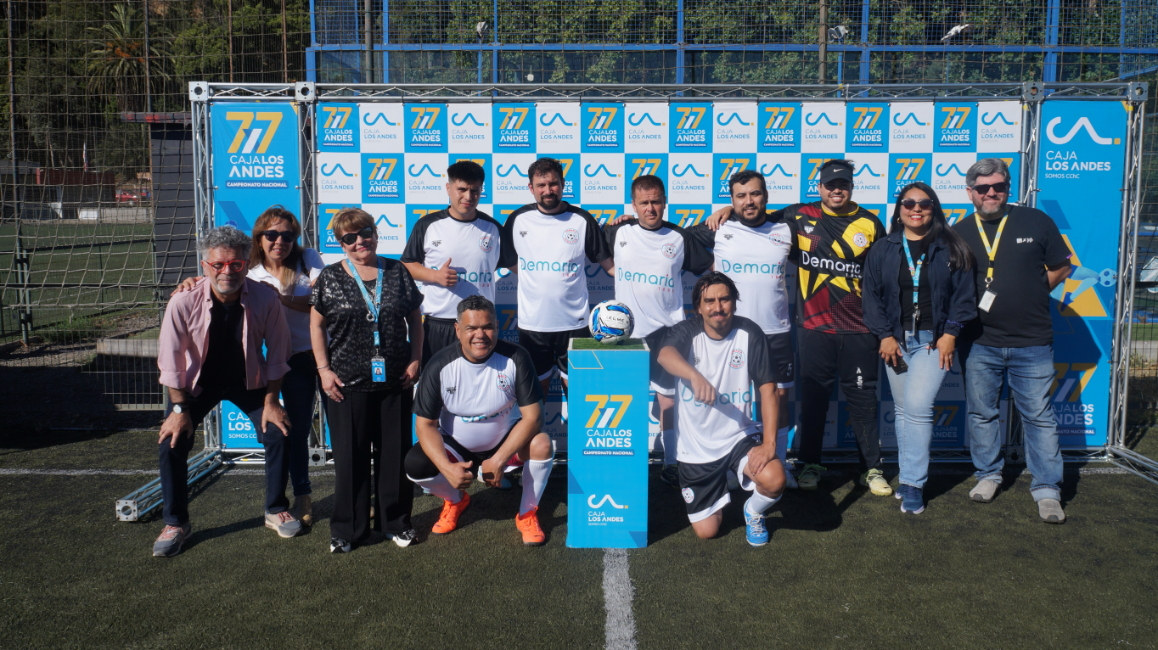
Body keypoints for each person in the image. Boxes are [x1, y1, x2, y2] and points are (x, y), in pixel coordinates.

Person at [706, 159, 889, 495]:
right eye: (830, 185)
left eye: (843, 185)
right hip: (814, 327)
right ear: (819, 187)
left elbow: (883, 278)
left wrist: (885, 331)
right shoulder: (797, 216)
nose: (837, 190)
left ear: (851, 187)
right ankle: (808, 464)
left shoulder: (871, 223)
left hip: (858, 328)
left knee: (863, 399)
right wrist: (727, 209)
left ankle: (872, 468)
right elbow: (754, 216)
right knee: (813, 401)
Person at [172, 206, 324, 526]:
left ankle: (354, 498)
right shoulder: (249, 271)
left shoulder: (308, 258)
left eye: (287, 235)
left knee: (338, 428)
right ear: (259, 237)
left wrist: (280, 297)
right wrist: (192, 281)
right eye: (272, 234)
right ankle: (303, 496)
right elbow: (220, 281)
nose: (280, 241)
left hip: (323, 354)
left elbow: (323, 301)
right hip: (289, 360)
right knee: (294, 431)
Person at [153, 226, 295, 557]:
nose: (226, 271)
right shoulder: (182, 301)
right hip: (196, 385)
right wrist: (179, 411)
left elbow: (278, 355)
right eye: (217, 265)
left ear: (246, 264)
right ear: (205, 266)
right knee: (172, 440)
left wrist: (272, 402)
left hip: (249, 381)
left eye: (235, 264)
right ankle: (176, 523)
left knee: (278, 431)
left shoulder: (266, 298)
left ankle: (275, 509)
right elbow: (171, 362)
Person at [952, 158, 1072, 524]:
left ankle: (1047, 490)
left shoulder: (1036, 221)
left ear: (1008, 188)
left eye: (999, 186)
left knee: (1038, 416)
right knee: (981, 413)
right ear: (970, 192)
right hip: (978, 342)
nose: (991, 193)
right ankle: (988, 475)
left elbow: (1062, 265)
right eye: (983, 188)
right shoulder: (959, 231)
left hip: (1032, 340)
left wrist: (1033, 292)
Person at [310, 208, 424, 552]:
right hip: (346, 385)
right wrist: (324, 370)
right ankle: (347, 530)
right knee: (350, 459)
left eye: (365, 233)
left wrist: (416, 358)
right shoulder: (330, 276)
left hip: (395, 381)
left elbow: (415, 319)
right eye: (350, 237)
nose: (360, 241)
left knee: (394, 457)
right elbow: (316, 325)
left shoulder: (397, 271)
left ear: (375, 233)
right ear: (340, 243)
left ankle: (396, 522)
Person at [863, 182, 977, 514]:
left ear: (933, 208)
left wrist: (951, 333)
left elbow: (965, 297)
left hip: (933, 342)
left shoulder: (952, 247)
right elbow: (870, 296)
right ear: (899, 210)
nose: (916, 208)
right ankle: (908, 478)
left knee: (917, 407)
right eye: (909, 203)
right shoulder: (883, 248)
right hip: (895, 341)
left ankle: (913, 483)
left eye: (924, 203)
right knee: (902, 410)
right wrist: (884, 335)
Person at [404, 295, 553, 545]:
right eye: (471, 328)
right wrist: (446, 467)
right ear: (457, 330)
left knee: (542, 444)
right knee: (416, 464)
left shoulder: (517, 357)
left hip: (505, 445)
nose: (480, 335)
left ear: (497, 326)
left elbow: (534, 417)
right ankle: (455, 500)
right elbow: (424, 425)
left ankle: (527, 514)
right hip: (458, 448)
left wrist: (499, 459)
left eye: (487, 327)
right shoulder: (439, 364)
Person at [658, 272, 787, 546]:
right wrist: (694, 375)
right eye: (710, 301)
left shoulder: (750, 332)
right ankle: (721, 487)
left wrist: (769, 444)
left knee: (775, 478)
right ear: (698, 307)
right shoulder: (686, 331)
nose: (718, 307)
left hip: (738, 437)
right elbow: (664, 355)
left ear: (734, 302)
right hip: (696, 448)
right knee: (707, 531)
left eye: (724, 299)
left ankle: (753, 511)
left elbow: (769, 391)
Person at [690, 170, 798, 490]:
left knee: (779, 398)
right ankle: (726, 466)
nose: (749, 201)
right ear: (732, 200)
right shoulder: (718, 228)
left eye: (755, 194)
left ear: (766, 196)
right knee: (728, 400)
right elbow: (668, 239)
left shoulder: (786, 228)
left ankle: (779, 461)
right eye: (740, 196)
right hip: (730, 333)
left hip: (776, 331)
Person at [602, 175, 712, 487]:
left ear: (664, 202)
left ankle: (671, 462)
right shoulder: (617, 231)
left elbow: (709, 267)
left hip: (669, 332)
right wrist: (615, 271)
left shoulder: (679, 236)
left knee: (668, 401)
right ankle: (625, 461)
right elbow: (594, 252)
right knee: (625, 400)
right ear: (633, 205)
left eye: (656, 202)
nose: (650, 208)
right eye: (644, 203)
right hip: (627, 333)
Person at [500, 157, 614, 397]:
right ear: (531, 188)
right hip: (533, 324)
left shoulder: (582, 219)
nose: (548, 190)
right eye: (541, 185)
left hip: (575, 324)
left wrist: (631, 226)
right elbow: (508, 260)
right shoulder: (517, 219)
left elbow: (609, 266)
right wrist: (537, 276)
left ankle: (575, 425)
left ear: (563, 184)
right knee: (535, 392)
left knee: (577, 391)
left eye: (553, 184)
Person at [401, 161, 506, 364]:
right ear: (448, 188)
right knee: (437, 382)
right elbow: (406, 265)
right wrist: (435, 276)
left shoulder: (492, 227)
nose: (468, 197)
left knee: (480, 381)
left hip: (480, 325)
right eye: (462, 189)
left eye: (475, 191)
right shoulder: (428, 225)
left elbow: (516, 265)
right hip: (439, 324)